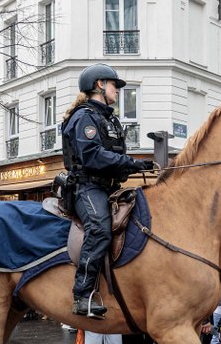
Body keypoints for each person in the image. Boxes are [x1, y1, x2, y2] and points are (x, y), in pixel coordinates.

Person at [61, 63, 153, 319]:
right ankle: (82, 295)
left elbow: (114, 156)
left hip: (109, 187)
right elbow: (92, 155)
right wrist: (129, 162)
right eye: (115, 85)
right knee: (100, 229)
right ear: (99, 85)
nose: (117, 91)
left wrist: (134, 164)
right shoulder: (84, 116)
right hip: (86, 187)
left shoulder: (108, 118)